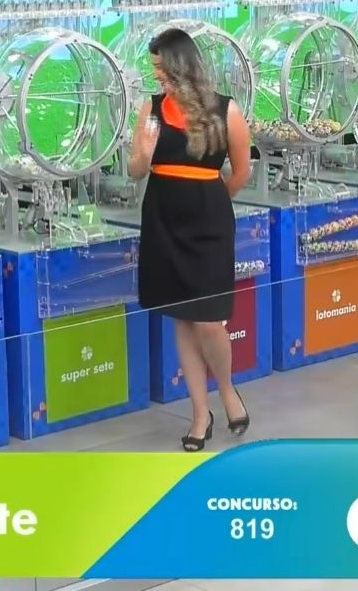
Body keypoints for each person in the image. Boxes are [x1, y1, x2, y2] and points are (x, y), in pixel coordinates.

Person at [127, 27, 254, 451]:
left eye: (162, 68)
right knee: (183, 317)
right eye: (154, 68)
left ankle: (227, 389)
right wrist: (143, 155)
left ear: (182, 65)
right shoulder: (151, 108)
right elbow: (135, 171)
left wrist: (211, 201)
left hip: (209, 225)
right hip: (163, 221)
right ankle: (200, 413)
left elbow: (241, 172)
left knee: (209, 320)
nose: (156, 76)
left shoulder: (226, 110)